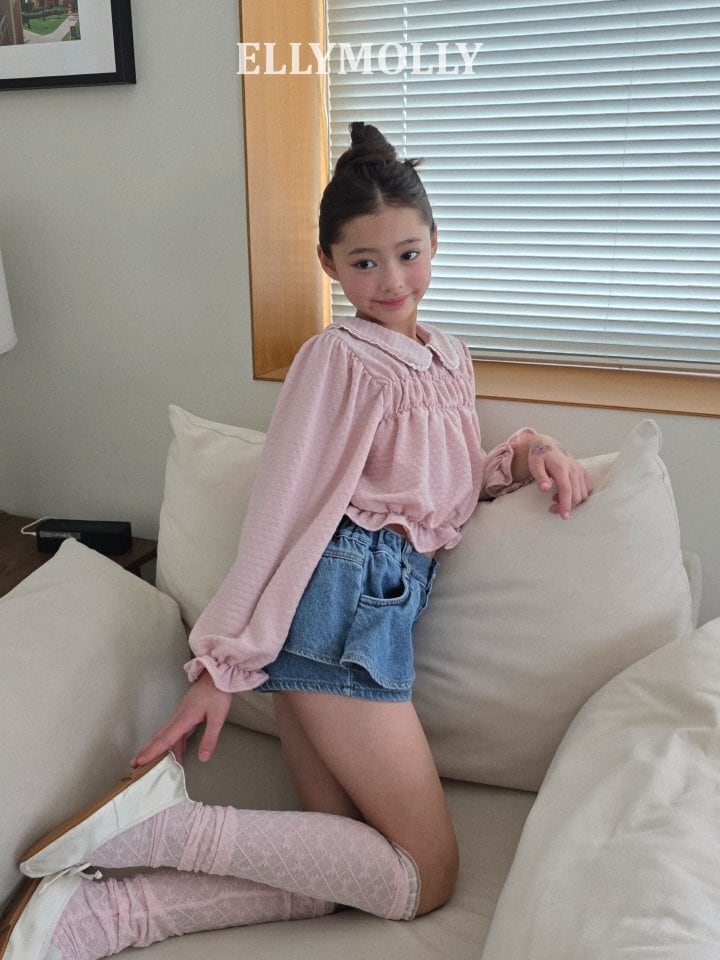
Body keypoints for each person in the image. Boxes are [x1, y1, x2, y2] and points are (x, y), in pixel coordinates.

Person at [2, 123, 592, 959]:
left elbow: (448, 484)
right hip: (344, 603)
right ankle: (157, 828)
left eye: (408, 253)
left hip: (371, 605)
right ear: (328, 264)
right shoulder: (338, 358)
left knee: (341, 869)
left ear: (435, 243)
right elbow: (284, 513)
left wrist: (530, 454)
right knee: (427, 877)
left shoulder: (449, 358)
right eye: (364, 262)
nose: (391, 280)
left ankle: (98, 918)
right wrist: (223, 662)